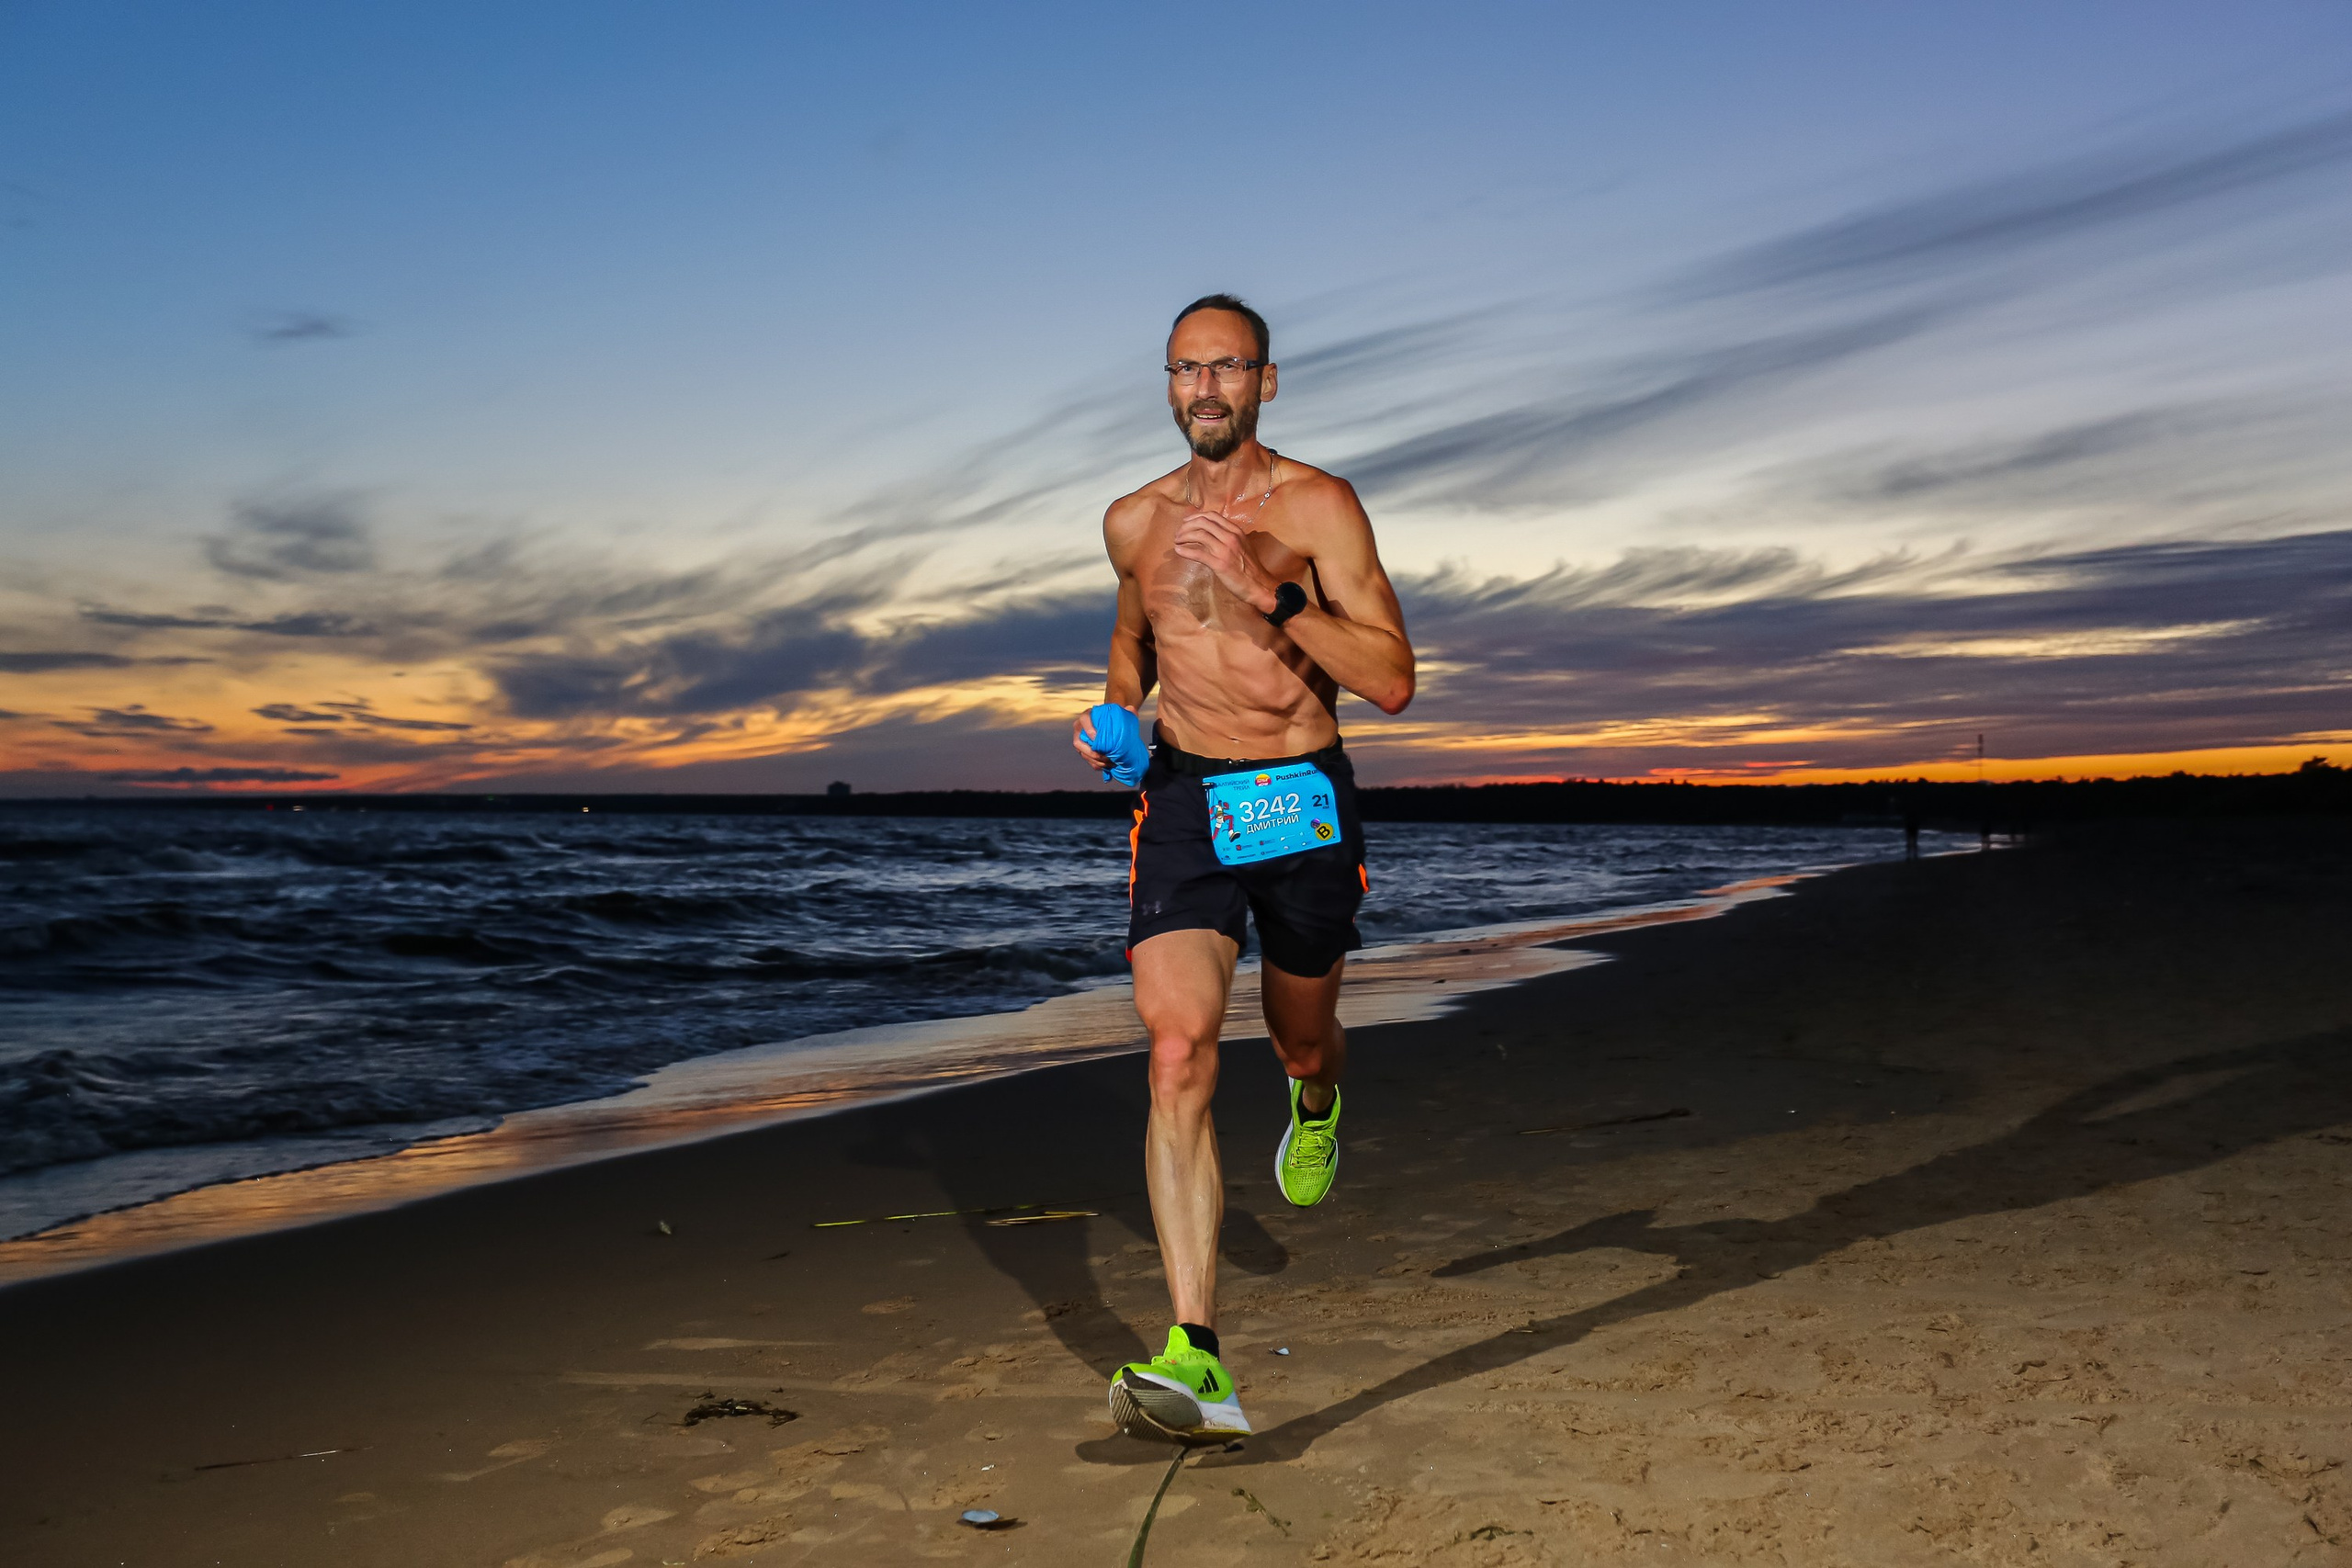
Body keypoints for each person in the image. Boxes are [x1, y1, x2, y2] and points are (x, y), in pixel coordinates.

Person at [1071, 294, 1415, 1441]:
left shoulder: (1318, 506)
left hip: (1300, 796)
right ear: (1167, 385)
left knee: (1300, 1037)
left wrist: (1272, 595)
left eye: (1226, 368)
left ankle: (1316, 1098)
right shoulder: (1132, 521)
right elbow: (1131, 644)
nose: (1204, 389)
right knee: (1177, 1052)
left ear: (1265, 382)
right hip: (1184, 801)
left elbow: (1392, 678)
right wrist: (1116, 717)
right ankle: (1197, 1355)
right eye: (1185, 369)